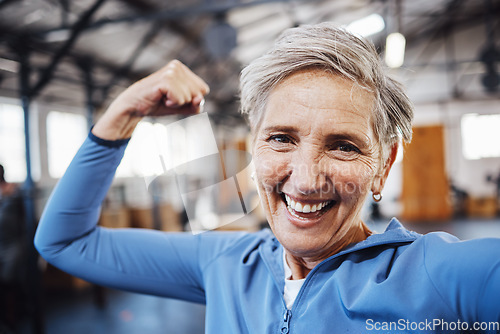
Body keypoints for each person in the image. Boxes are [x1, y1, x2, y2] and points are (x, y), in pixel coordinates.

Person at [35, 23, 500, 333]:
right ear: (253, 145)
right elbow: (64, 243)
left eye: (343, 145)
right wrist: (120, 117)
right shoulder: (225, 263)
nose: (305, 178)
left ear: (384, 163)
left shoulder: (434, 277)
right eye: (281, 138)